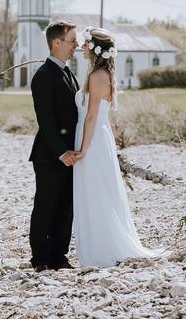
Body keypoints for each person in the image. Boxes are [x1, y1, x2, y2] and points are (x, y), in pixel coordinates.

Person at [72, 27, 158, 267]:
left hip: (92, 139)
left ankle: (101, 249)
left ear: (94, 48)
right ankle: (98, 245)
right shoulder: (102, 74)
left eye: (85, 43)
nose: (81, 47)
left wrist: (83, 149)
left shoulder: (96, 76)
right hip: (97, 136)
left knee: (95, 192)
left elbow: (91, 116)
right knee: (98, 191)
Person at [28, 20, 80, 271]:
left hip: (72, 154)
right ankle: (40, 258)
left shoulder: (69, 72)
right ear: (56, 42)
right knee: (46, 205)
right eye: (72, 40)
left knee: (66, 207)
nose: (76, 45)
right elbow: (46, 120)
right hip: (50, 155)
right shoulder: (43, 76)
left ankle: (59, 256)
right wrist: (62, 152)